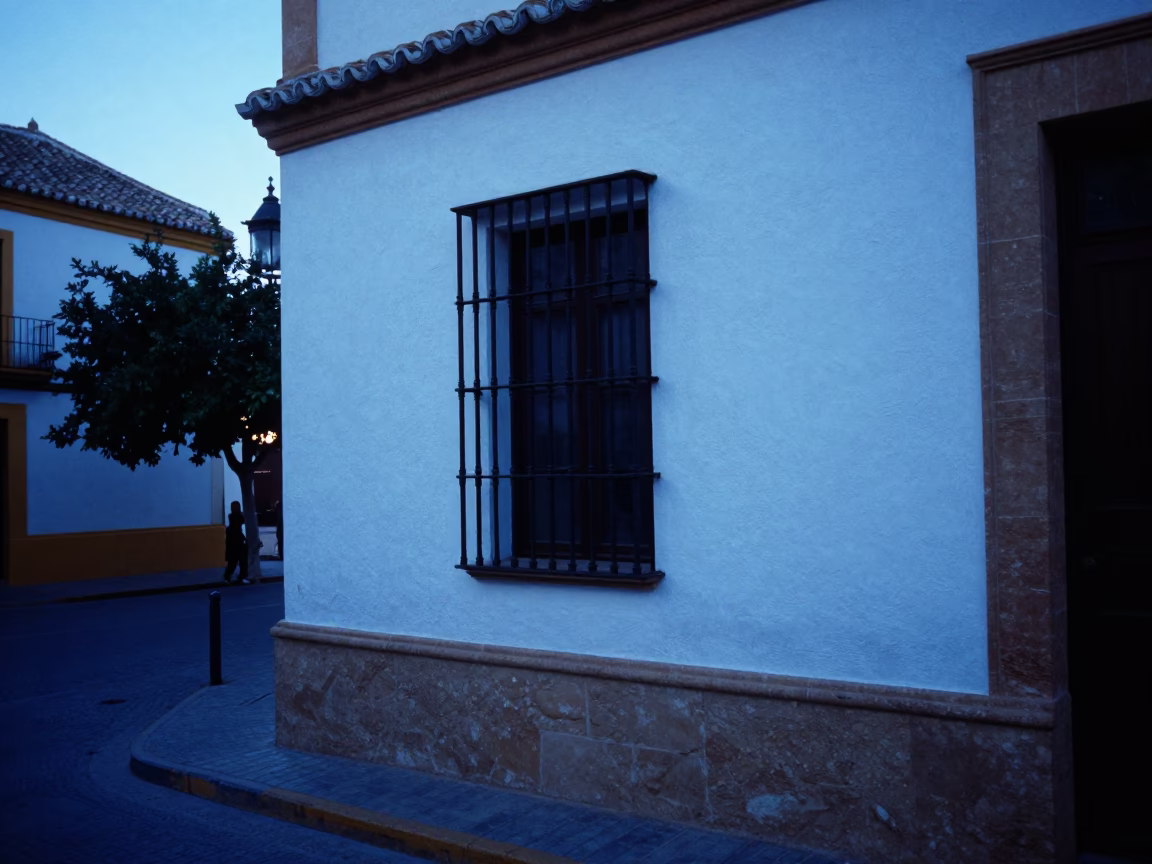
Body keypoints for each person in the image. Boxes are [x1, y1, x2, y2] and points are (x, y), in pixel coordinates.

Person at [222, 500, 250, 584]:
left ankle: (229, 577)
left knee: (236, 561)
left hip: (234, 541)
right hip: (236, 541)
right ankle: (238, 577)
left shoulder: (232, 516)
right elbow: (242, 521)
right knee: (238, 561)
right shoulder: (235, 517)